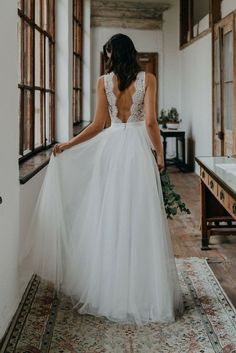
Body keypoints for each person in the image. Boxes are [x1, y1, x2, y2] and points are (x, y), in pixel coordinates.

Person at [19, 33, 184, 326]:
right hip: (136, 151)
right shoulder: (148, 78)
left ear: (110, 54)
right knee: (140, 217)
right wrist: (159, 155)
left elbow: (99, 124)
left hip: (111, 152)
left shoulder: (103, 82)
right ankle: (143, 290)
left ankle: (111, 288)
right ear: (132, 53)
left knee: (111, 215)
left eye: (107, 54)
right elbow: (149, 122)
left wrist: (69, 144)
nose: (107, 58)